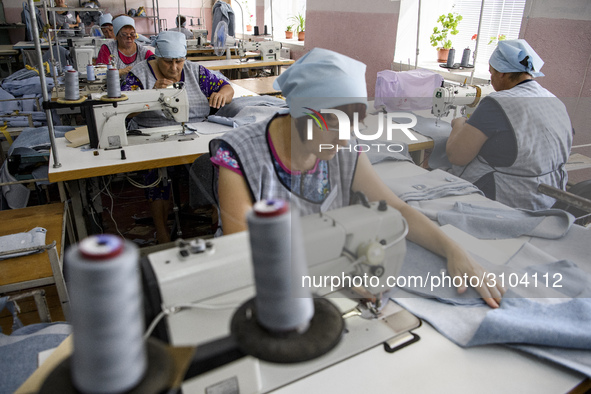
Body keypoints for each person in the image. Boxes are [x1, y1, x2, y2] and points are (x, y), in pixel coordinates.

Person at [209, 48, 504, 308]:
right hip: (254, 289)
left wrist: (453, 249)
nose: (344, 139)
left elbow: (395, 209)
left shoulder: (343, 149)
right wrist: (329, 278)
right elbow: (247, 252)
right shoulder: (238, 155)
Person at [121, 31, 234, 244]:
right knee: (155, 175)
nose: (174, 68)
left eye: (179, 62)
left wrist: (222, 95)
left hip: (195, 132)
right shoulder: (138, 75)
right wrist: (149, 95)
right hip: (152, 135)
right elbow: (124, 108)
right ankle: (162, 232)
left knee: (218, 163)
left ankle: (216, 215)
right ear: (156, 57)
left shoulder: (196, 72)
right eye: (167, 62)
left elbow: (227, 87)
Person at [446, 39, 573, 211]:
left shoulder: (497, 103)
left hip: (507, 200)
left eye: (491, 73)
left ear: (502, 74)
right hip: (547, 199)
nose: (491, 79)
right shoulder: (553, 100)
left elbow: (457, 156)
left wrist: (458, 124)